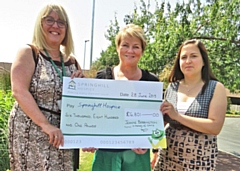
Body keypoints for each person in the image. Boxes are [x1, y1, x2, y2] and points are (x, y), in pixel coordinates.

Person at [8, 3, 84, 171]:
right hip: (31, 132)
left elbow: (83, 103)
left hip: (63, 136)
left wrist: (81, 84)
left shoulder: (73, 62)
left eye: (61, 22)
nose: (55, 25)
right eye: (49, 20)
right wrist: (46, 125)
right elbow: (19, 91)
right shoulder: (29, 52)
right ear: (40, 24)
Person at [83, 24, 159, 171]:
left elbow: (155, 122)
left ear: (142, 50)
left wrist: (150, 144)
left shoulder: (151, 82)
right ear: (117, 48)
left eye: (136, 46)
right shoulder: (103, 77)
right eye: (125, 45)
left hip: (138, 157)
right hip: (106, 155)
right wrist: (88, 138)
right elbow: (91, 114)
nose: (130, 51)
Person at [153, 39, 227, 171]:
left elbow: (215, 127)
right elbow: (160, 123)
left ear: (203, 61)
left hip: (199, 161)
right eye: (183, 57)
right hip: (167, 158)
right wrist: (154, 149)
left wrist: (177, 116)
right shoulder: (172, 87)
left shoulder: (215, 87)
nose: (188, 61)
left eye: (193, 56)